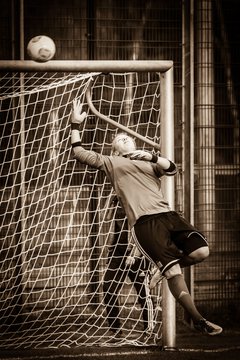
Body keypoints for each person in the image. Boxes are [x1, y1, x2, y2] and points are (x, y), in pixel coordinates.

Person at [70, 99, 223, 336]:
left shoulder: (149, 161)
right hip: (144, 224)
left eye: (128, 137)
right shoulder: (112, 163)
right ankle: (199, 319)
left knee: (201, 251)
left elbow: (172, 168)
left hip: (168, 215)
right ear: (114, 150)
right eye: (119, 139)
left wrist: (151, 156)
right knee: (172, 273)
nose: (125, 138)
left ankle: (162, 270)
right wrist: (75, 124)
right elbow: (78, 152)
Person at [102, 195, 154, 337]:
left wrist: (135, 252)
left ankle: (148, 330)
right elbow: (105, 217)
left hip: (138, 251)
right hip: (118, 252)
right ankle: (115, 330)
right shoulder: (118, 198)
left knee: (144, 292)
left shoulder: (139, 196)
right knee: (108, 288)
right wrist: (111, 197)